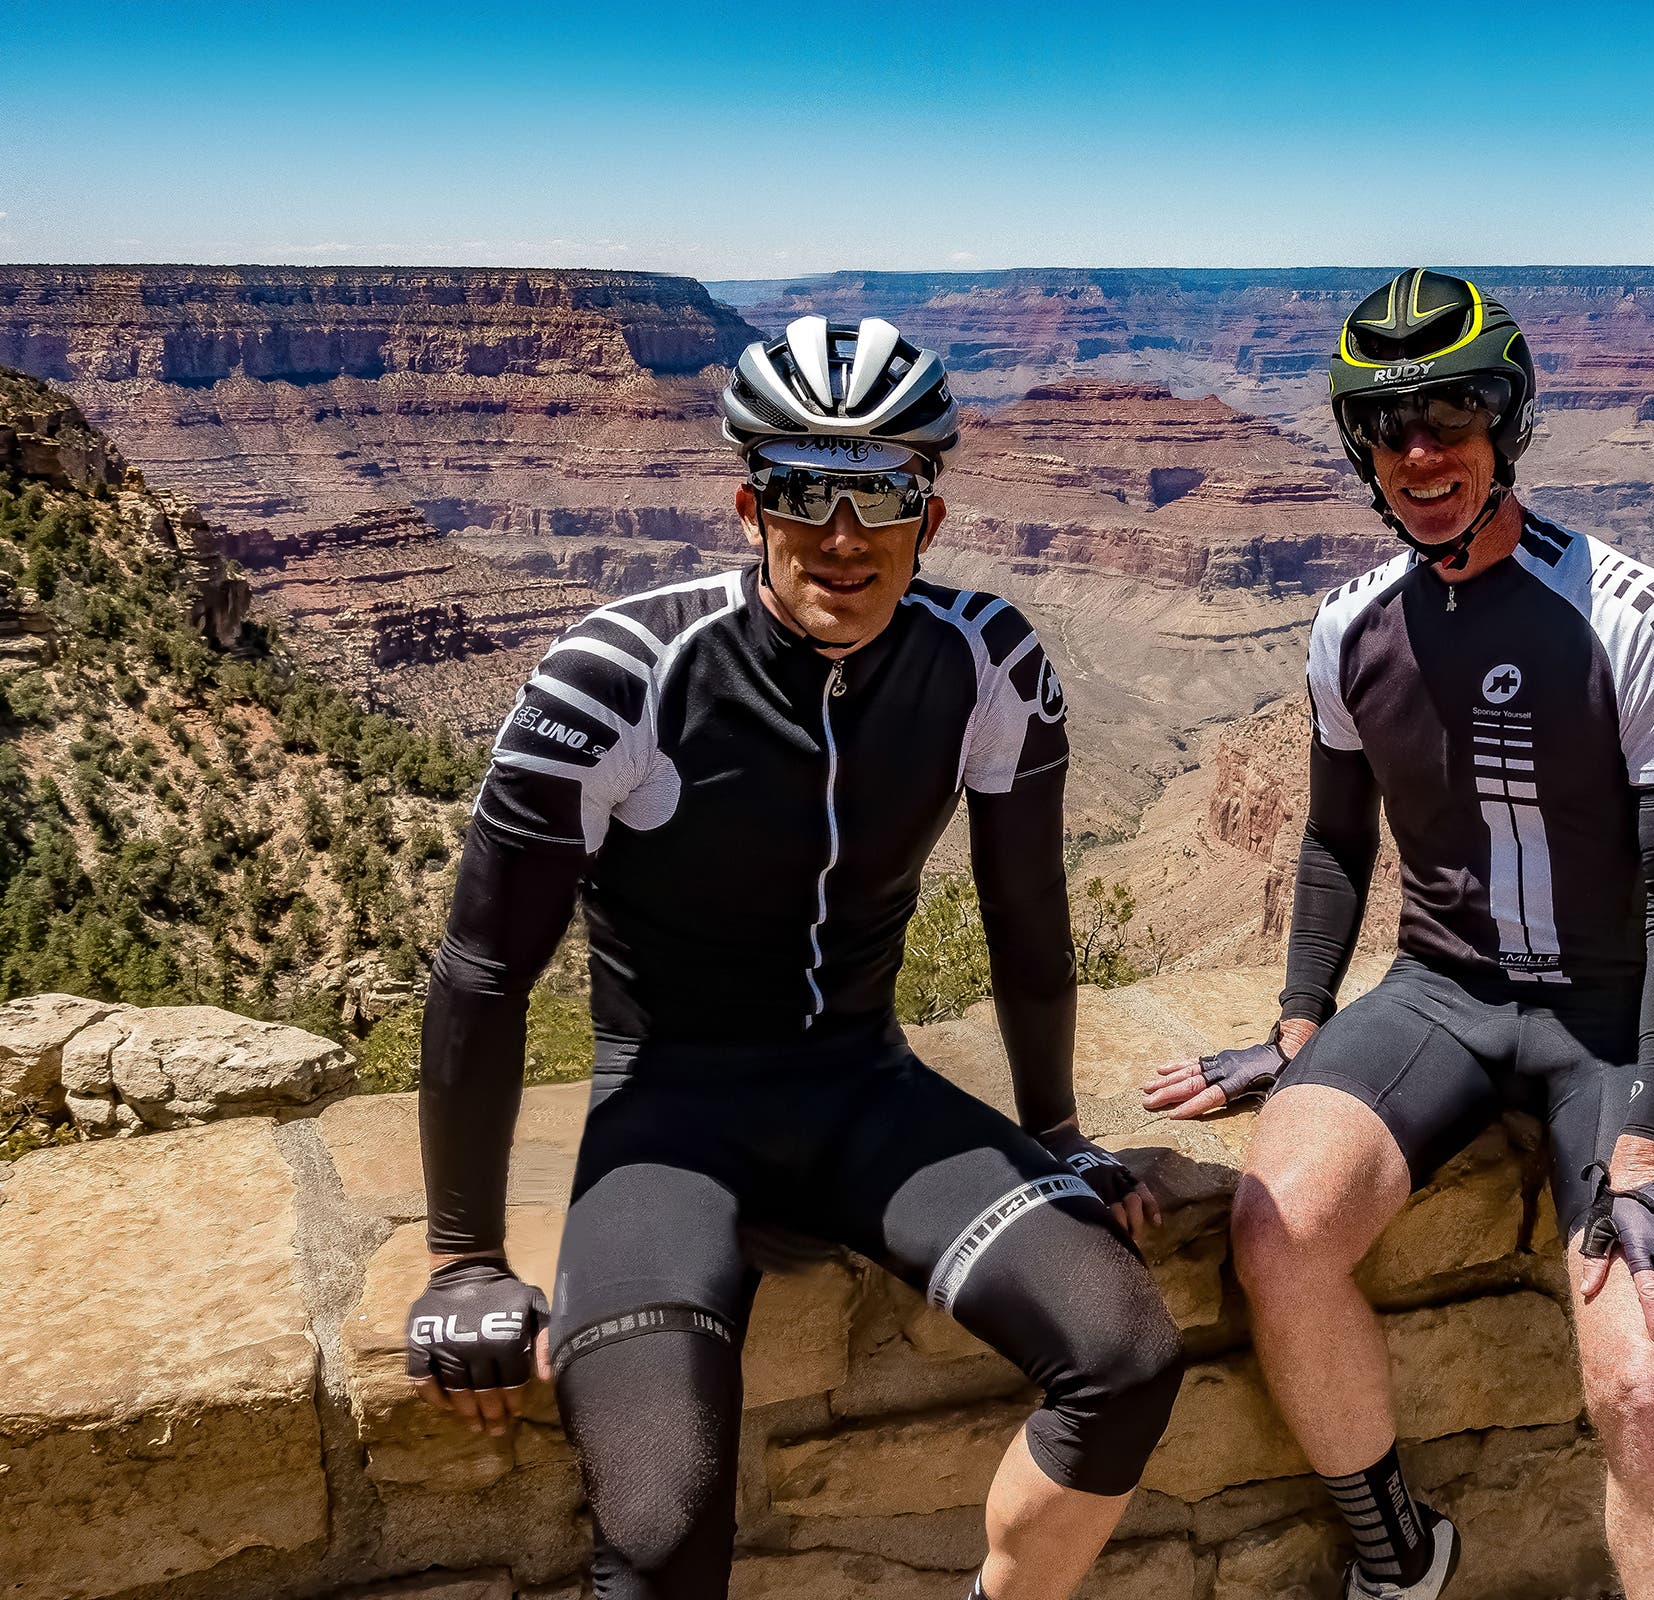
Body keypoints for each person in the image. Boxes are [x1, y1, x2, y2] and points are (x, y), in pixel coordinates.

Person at [404, 315, 1185, 1600]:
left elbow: (1027, 913)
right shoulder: (622, 676)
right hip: (668, 1115)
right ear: (747, 501)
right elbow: (485, 971)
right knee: (658, 1531)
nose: (842, 533)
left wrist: (1056, 1131)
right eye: (803, 488)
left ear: (929, 514)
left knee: (1126, 1353)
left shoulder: (987, 658)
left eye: (880, 489)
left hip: (863, 1094)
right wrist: (463, 1253)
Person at [1144, 271, 1654, 1600]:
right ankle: (1399, 1556)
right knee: (1272, 1234)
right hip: (1442, 996)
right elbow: (1335, 838)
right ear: (1359, 445)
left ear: (1506, 422)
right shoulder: (1348, 626)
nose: (1423, 454)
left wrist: (1647, 1139)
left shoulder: (1636, 615)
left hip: (1610, 1022)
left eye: (1454, 415)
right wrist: (1297, 1031)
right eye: (1388, 425)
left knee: (1647, 1384)